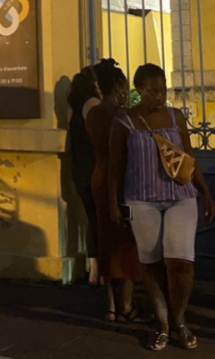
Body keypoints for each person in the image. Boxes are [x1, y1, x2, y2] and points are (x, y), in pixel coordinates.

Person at [109, 64, 215, 351]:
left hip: (180, 196)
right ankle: (163, 324)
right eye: (153, 90)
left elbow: (189, 160)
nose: (160, 94)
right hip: (141, 200)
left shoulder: (176, 117)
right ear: (139, 90)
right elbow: (115, 168)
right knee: (152, 263)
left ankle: (179, 320)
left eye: (163, 88)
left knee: (181, 262)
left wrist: (204, 191)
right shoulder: (125, 122)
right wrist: (113, 204)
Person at [86, 59, 145, 322]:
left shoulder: (93, 114)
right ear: (119, 86)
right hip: (121, 180)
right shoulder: (123, 116)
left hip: (98, 177)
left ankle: (110, 305)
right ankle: (128, 306)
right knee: (127, 245)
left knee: (106, 242)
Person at [68, 66, 102, 286]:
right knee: (100, 219)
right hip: (94, 168)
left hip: (79, 168)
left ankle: (93, 271)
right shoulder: (93, 105)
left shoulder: (73, 109)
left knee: (92, 219)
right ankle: (100, 271)